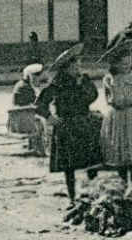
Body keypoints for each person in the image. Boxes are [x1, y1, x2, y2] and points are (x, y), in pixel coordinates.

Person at [34, 44, 103, 201]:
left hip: (85, 123)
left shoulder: (83, 80)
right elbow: (40, 104)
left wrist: (82, 85)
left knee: (92, 161)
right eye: (74, 64)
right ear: (65, 67)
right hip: (67, 127)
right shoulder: (58, 83)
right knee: (69, 166)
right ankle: (72, 196)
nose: (78, 67)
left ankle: (94, 193)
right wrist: (50, 118)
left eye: (79, 63)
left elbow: (93, 96)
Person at [99, 23, 132, 184]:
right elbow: (108, 97)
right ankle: (123, 180)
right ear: (115, 63)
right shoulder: (110, 78)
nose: (126, 65)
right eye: (122, 63)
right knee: (120, 149)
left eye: (128, 62)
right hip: (118, 115)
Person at [9, 64, 49, 156]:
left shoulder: (21, 84)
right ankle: (41, 149)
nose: (38, 78)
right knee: (43, 119)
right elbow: (36, 105)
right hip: (22, 122)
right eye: (37, 75)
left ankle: (35, 146)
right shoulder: (26, 88)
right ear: (31, 76)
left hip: (17, 119)